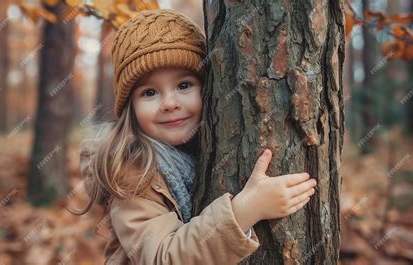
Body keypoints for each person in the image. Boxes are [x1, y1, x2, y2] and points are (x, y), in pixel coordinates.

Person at [77, 9, 317, 265]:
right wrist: (245, 211)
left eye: (183, 85)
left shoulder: (207, 146)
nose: (169, 103)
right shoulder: (131, 170)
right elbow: (162, 257)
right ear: (130, 109)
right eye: (149, 92)